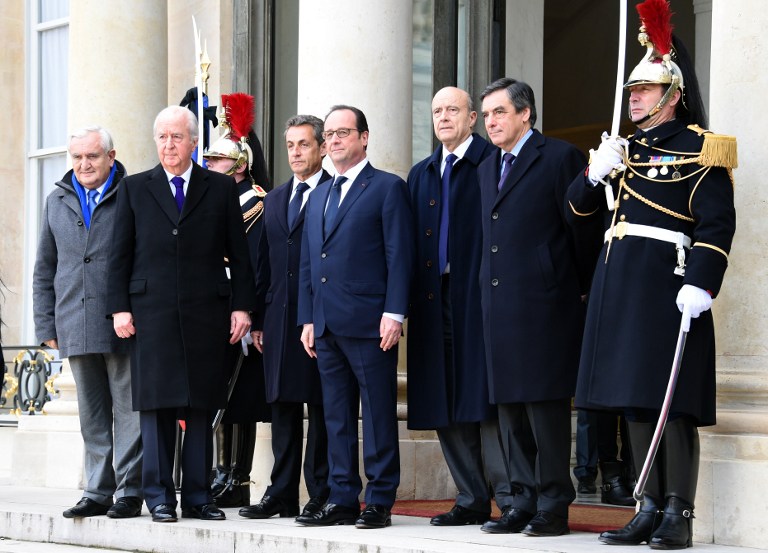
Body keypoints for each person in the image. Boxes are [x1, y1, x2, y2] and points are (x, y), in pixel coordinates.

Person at [567, 1, 737, 548]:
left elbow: (717, 223)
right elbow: (576, 214)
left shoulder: (702, 148)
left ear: (672, 94)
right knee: (633, 399)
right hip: (621, 286)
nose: (633, 97)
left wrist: (703, 282)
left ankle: (678, 512)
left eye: (643, 90)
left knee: (673, 401)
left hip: (669, 285)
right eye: (632, 91)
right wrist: (594, 174)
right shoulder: (625, 148)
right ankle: (645, 504)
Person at [107, 105, 256, 523]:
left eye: (177, 137)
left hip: (206, 313)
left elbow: (241, 258)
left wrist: (243, 307)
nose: (169, 145)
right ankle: (157, 497)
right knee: (156, 408)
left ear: (194, 142)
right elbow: (118, 256)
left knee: (199, 405)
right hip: (148, 313)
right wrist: (118, 308)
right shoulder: (135, 189)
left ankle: (197, 496)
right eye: (162, 137)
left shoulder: (221, 189)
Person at [477, 78, 589, 537]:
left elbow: (583, 230)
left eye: (499, 112)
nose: (491, 122)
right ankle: (520, 500)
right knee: (509, 410)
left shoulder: (560, 157)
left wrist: (574, 286)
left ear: (525, 113)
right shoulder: (488, 167)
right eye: (486, 115)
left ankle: (553, 504)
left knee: (545, 409)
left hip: (545, 303)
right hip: (498, 303)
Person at [295, 105, 413, 529]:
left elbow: (400, 256)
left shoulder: (386, 188)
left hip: (370, 322)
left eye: (344, 132)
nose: (335, 140)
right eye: (330, 134)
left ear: (364, 137)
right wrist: (307, 318)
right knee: (335, 415)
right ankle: (342, 497)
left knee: (379, 412)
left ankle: (380, 498)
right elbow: (310, 262)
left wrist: (394, 312)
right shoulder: (319, 194)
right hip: (325, 325)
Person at [406, 86, 512, 528]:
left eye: (453, 109)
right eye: (436, 111)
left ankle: (510, 497)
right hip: (433, 299)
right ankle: (469, 497)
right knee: (442, 396)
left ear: (473, 119)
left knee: (483, 396)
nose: (444, 117)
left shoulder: (491, 163)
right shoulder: (421, 173)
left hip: (480, 297)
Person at [33, 126, 143, 520]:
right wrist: (46, 324)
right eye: (77, 157)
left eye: (92, 156)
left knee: (130, 411)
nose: (83, 165)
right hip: (73, 321)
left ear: (111, 157)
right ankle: (97, 491)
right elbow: (45, 267)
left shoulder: (133, 195)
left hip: (122, 323)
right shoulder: (56, 200)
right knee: (92, 414)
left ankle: (130, 491)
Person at [240, 114, 332, 520]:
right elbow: (262, 264)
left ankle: (319, 492)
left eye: (304, 144)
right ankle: (280, 494)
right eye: (290, 145)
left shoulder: (335, 192)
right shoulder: (273, 199)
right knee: (282, 410)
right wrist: (257, 319)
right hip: (277, 320)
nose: (296, 152)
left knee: (322, 408)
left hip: (320, 319)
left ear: (322, 148)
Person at [202, 92, 271, 509]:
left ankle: (237, 477)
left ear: (240, 164)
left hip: (243, 311)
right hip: (214, 308)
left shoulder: (257, 203)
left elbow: (258, 263)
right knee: (216, 396)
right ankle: (219, 470)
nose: (210, 166)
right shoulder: (213, 201)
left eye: (218, 161)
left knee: (239, 399)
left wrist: (249, 309)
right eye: (208, 161)